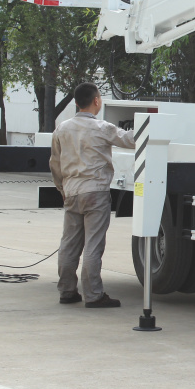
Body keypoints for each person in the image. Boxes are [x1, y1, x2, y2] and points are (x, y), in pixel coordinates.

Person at [49, 82, 134, 307]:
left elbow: (55, 163)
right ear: (96, 101)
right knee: (93, 245)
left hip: (71, 192)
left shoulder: (62, 128)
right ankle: (94, 295)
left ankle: (67, 291)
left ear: (76, 103)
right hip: (95, 192)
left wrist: (62, 189)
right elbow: (131, 140)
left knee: (69, 244)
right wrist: (151, 125)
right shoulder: (102, 127)